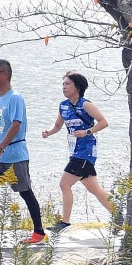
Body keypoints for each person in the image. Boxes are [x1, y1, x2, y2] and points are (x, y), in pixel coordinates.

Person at [0, 59, 46, 246]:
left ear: (4, 74)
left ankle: (39, 232)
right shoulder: (1, 99)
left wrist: (0, 148)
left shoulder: (15, 98)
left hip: (14, 156)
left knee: (25, 192)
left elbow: (16, 125)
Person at [42, 72, 116, 234]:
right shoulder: (63, 105)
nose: (64, 87)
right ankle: (118, 218)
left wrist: (87, 132)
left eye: (67, 84)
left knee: (64, 184)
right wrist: (48, 132)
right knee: (94, 188)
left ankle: (65, 223)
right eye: (63, 84)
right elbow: (58, 126)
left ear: (77, 87)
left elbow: (104, 122)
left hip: (86, 152)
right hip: (74, 151)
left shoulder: (86, 105)